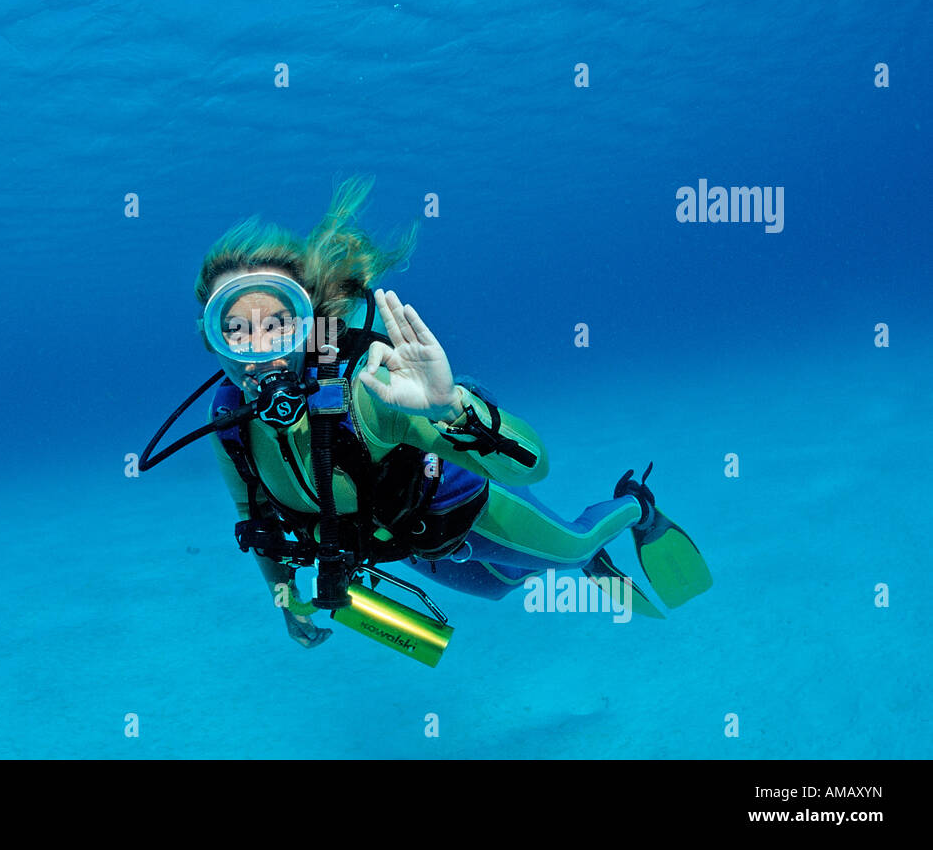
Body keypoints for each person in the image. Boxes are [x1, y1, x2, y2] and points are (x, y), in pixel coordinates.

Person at [159, 175, 711, 650]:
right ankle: (544, 560)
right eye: (235, 329)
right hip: (411, 545)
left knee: (571, 547)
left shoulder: (365, 390)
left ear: (311, 324)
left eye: (280, 323)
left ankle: (634, 508)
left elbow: (534, 464)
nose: (262, 350)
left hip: (465, 512)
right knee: (500, 588)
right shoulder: (229, 423)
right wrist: (287, 601)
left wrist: (453, 407)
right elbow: (254, 519)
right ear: (212, 342)